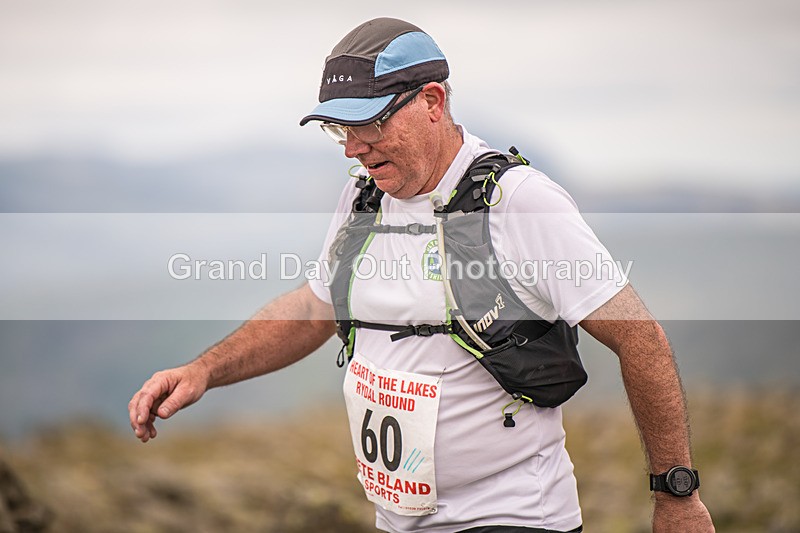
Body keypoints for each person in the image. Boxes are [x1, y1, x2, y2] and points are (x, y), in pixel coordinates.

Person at [129, 17, 714, 533]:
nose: (354, 148)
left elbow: (640, 337)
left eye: (369, 124)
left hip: (514, 516)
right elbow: (313, 309)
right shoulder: (363, 198)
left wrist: (676, 494)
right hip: (398, 521)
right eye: (339, 129)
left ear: (432, 100)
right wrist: (203, 371)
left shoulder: (520, 202)